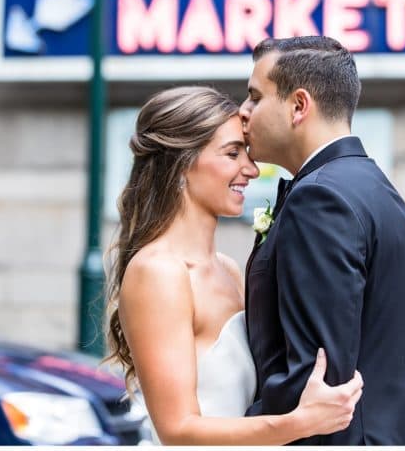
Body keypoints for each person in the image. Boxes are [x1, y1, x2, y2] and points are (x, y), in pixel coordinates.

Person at [105, 85, 363, 444]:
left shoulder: (227, 269)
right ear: (181, 165)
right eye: (232, 154)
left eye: (247, 152)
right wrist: (300, 423)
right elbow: (177, 429)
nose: (252, 169)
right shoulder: (159, 273)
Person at [240, 36, 405, 444]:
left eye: (255, 97)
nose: (243, 112)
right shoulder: (377, 190)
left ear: (299, 106)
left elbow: (316, 379)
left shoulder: (320, 199)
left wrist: (230, 430)